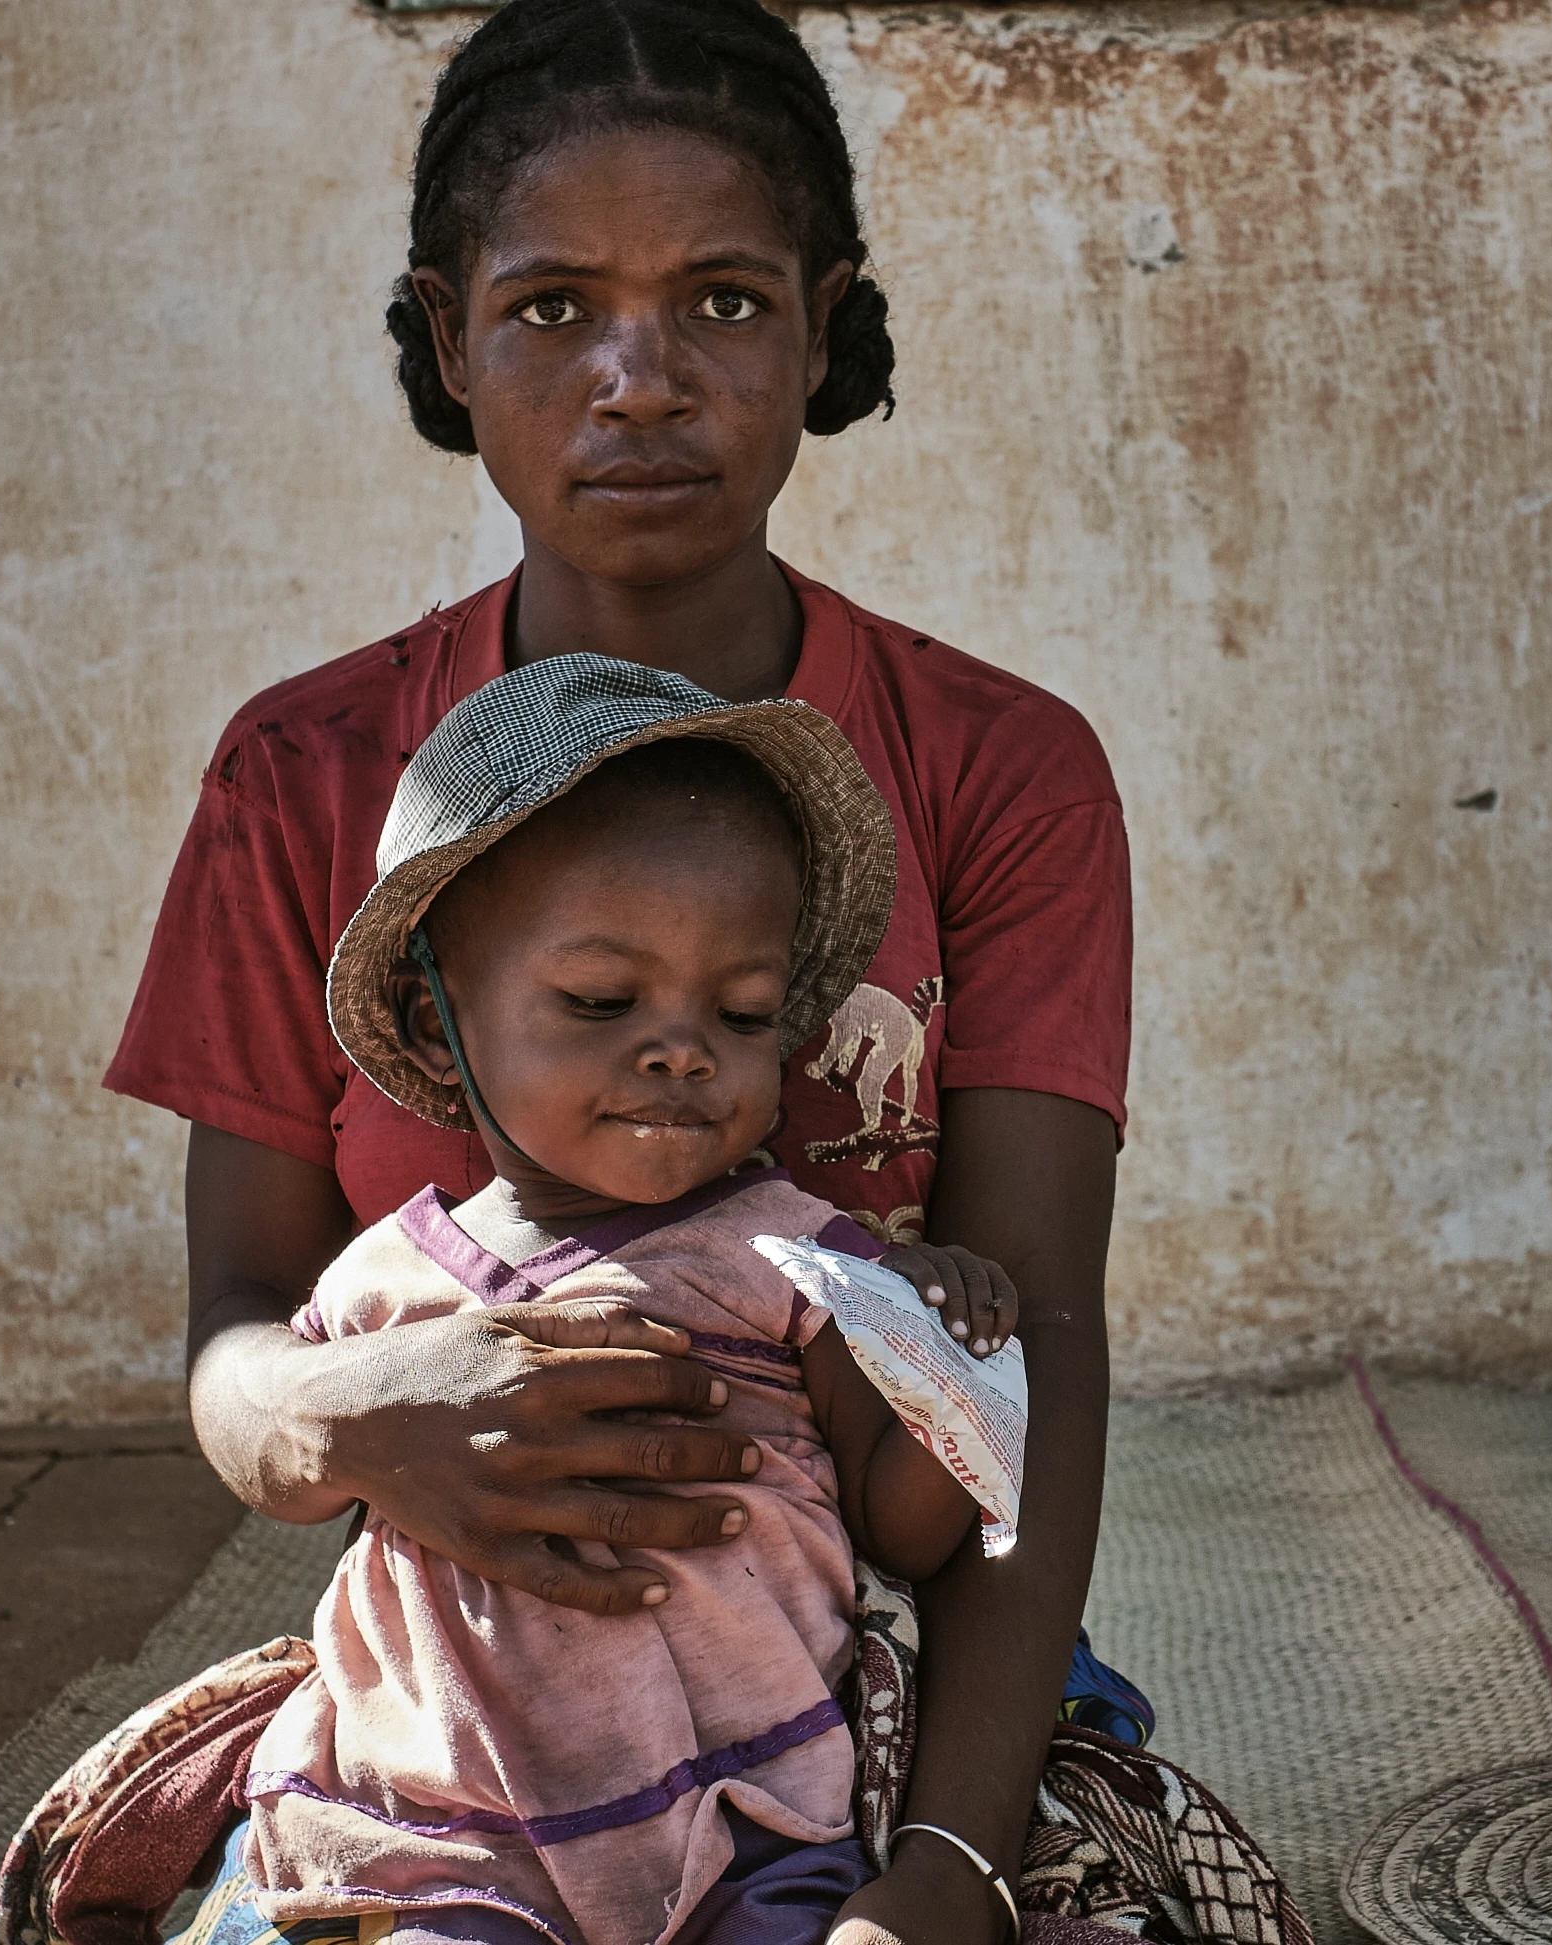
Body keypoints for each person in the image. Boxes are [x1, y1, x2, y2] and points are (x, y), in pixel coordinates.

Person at [100, 2, 1137, 1937]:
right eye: (555, 305)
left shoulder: (1002, 770)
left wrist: (949, 1879)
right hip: (454, 1720)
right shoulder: (307, 777)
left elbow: (1037, 1337)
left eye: (726, 305)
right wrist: (360, 1412)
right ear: (446, 339)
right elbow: (238, 1331)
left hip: (874, 1700)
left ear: (825, 329)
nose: (640, 379)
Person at [236, 654, 1021, 1945]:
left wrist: (951, 1369)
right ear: (438, 1030)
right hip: (447, 1833)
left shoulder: (799, 1254)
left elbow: (909, 1524)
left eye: (745, 1011)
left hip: (752, 1814)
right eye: (602, 1001)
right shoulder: (389, 1278)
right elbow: (290, 1464)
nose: (680, 1048)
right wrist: (357, 1421)